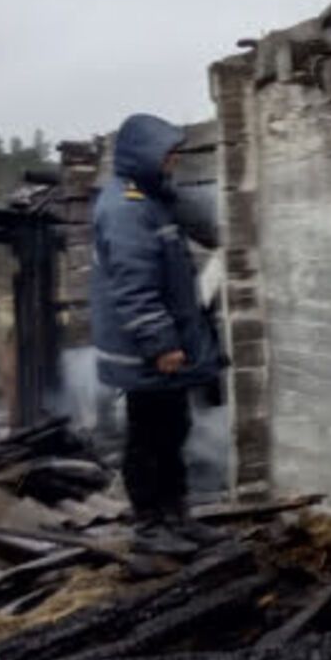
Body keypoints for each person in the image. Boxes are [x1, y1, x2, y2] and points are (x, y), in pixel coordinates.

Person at [92, 113, 229, 557]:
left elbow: (196, 213)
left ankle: (177, 517)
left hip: (160, 349)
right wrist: (161, 344)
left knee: (172, 430)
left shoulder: (149, 198)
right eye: (168, 156)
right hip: (147, 354)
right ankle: (150, 526)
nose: (173, 164)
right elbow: (134, 287)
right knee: (148, 438)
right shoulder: (126, 209)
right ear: (143, 157)